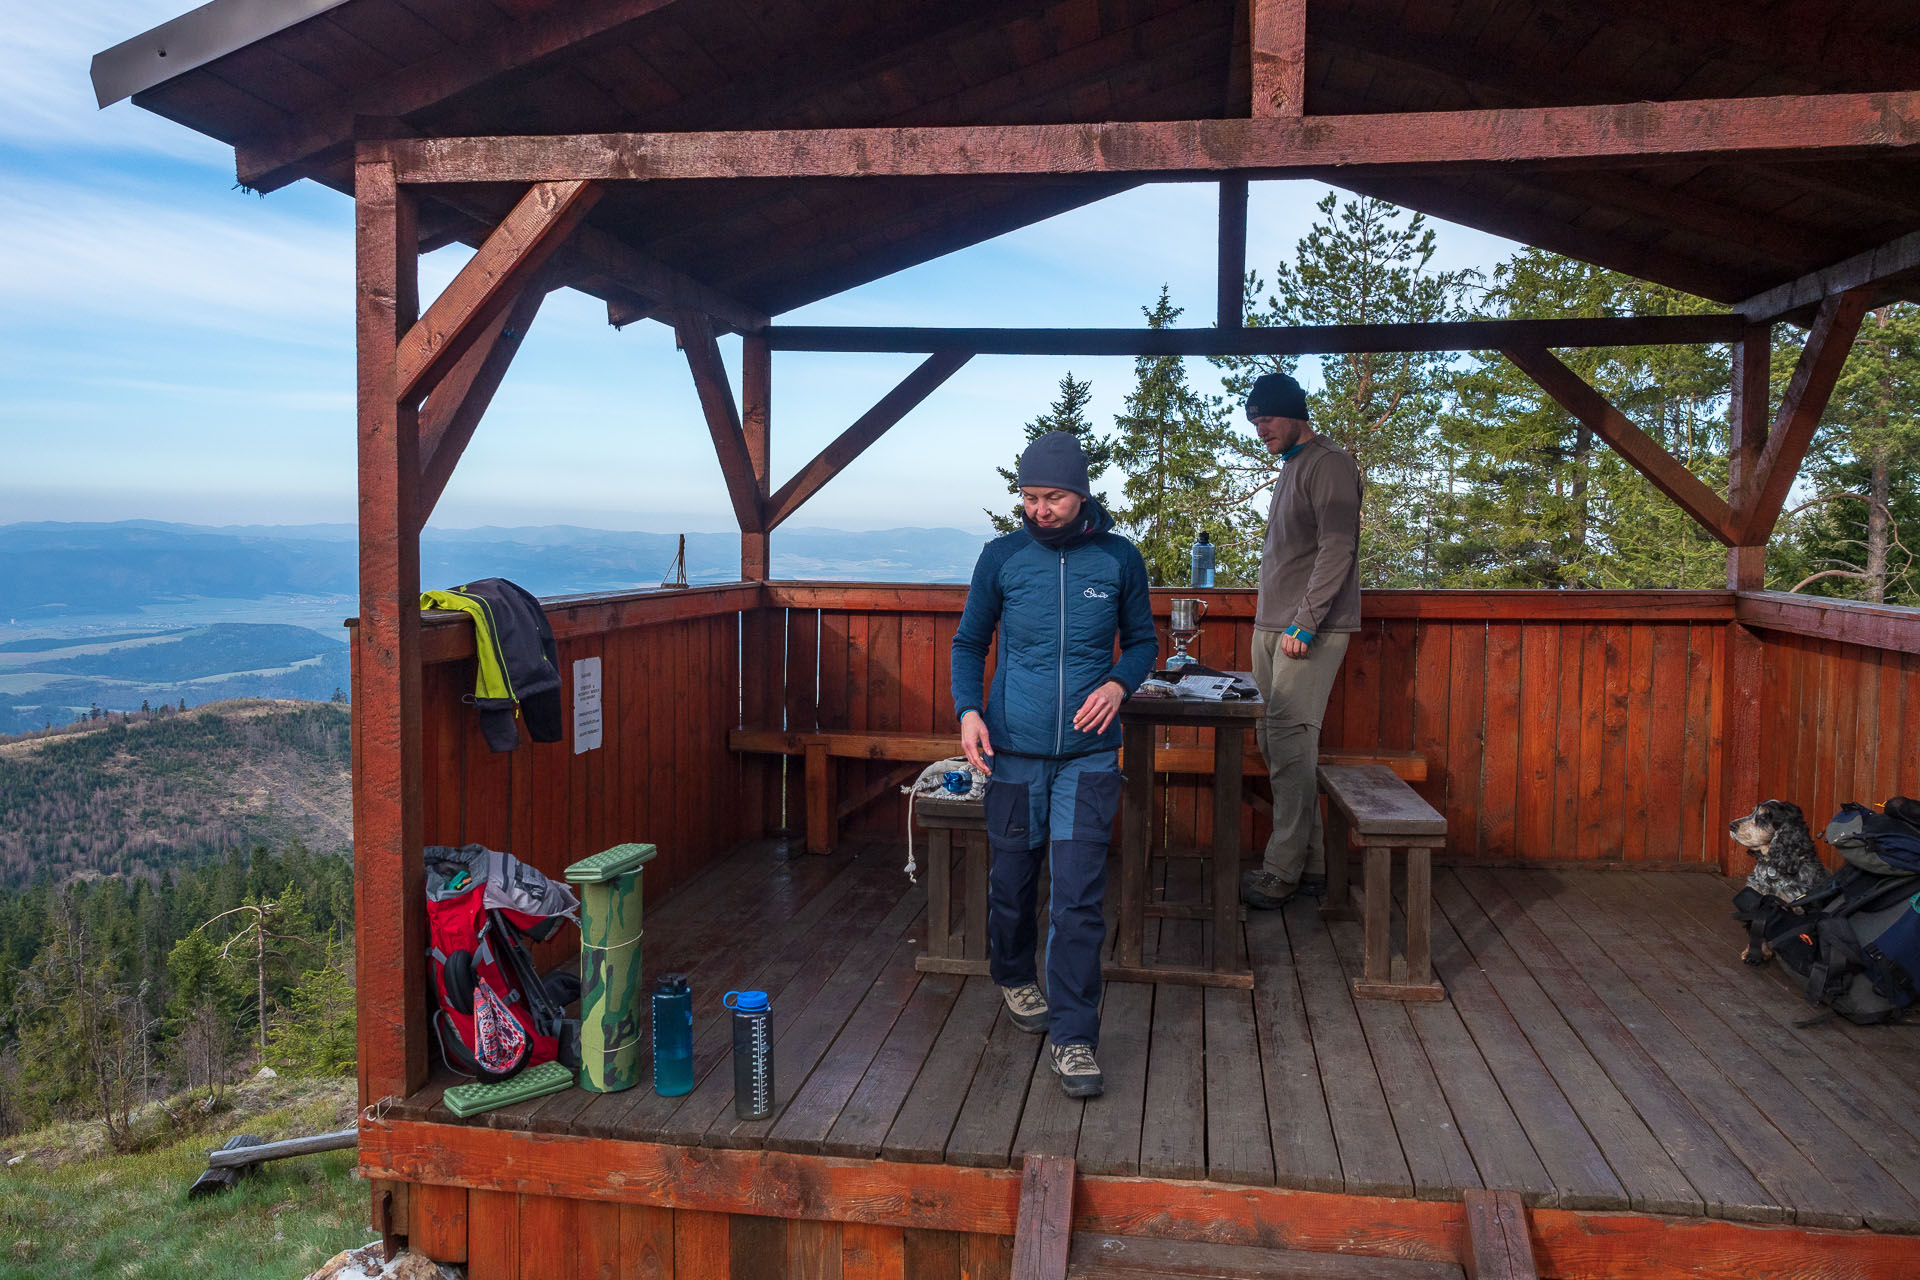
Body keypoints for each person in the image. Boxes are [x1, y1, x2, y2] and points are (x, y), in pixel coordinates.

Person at [951, 431, 1156, 1098]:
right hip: (1012, 753)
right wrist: (968, 710)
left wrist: (1120, 683)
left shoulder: (1118, 559)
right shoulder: (1002, 558)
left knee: (1077, 897)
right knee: (1011, 884)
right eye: (1030, 497)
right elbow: (970, 641)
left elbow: (1145, 642)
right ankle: (1013, 975)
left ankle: (1074, 1038)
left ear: (1082, 494)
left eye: (1054, 497)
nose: (1040, 509)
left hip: (1089, 758)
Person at [1240, 372, 1362, 910]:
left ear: (1293, 414)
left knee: (1289, 745)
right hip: (1275, 626)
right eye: (1254, 421)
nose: (1259, 428)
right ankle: (1311, 863)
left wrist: (1305, 622)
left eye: (1265, 418)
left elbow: (1338, 548)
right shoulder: (1291, 468)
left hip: (1306, 630)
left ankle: (1281, 870)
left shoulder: (1328, 463)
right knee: (1276, 743)